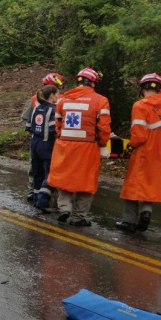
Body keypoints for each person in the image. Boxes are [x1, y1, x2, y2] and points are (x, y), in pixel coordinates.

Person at [47, 67, 111, 227]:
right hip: (87, 147)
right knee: (86, 182)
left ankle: (64, 209)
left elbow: (57, 125)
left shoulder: (62, 100)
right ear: (93, 83)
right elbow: (104, 127)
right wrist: (103, 145)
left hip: (64, 146)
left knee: (64, 178)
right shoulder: (100, 100)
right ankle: (78, 217)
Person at [115, 73, 161, 232]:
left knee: (134, 185)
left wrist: (129, 146)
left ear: (142, 88)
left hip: (144, 152)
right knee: (151, 184)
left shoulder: (140, 106)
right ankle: (146, 213)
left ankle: (128, 222)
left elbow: (140, 136)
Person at [20, 72, 65, 200]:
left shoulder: (62, 98)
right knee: (38, 166)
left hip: (47, 139)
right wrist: (35, 131)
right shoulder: (34, 99)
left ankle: (45, 191)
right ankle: (35, 191)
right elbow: (25, 118)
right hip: (45, 139)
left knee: (45, 166)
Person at [25, 85, 59, 210]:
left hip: (34, 143)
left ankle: (36, 197)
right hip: (47, 145)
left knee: (37, 172)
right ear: (52, 95)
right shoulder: (52, 109)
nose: (58, 96)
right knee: (50, 173)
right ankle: (42, 201)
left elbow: (28, 126)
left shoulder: (36, 108)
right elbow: (54, 129)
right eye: (57, 94)